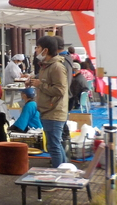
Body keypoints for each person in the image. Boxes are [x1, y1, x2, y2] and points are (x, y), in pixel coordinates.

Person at [27, 36, 69, 167]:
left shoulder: (56, 67)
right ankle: (64, 173)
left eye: (38, 47)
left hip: (54, 111)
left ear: (45, 50)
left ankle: (58, 178)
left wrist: (40, 85)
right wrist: (34, 80)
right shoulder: (45, 66)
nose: (36, 50)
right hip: (47, 110)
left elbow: (60, 90)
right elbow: (45, 81)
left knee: (54, 146)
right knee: (54, 144)